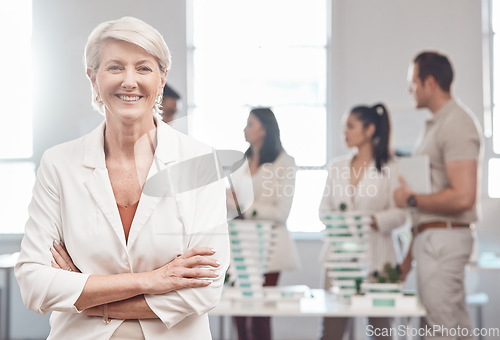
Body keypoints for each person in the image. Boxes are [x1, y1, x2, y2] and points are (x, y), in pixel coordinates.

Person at [14, 17, 229, 340]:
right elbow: (34, 285)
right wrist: (154, 280)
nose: (129, 81)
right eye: (115, 67)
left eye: (143, 68)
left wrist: (87, 296)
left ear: (161, 78)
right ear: (93, 77)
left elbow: (204, 291)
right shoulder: (59, 164)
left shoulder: (200, 162)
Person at [394, 51, 482, 339]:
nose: (410, 89)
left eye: (413, 82)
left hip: (444, 241)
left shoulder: (456, 123)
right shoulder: (435, 124)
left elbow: (463, 197)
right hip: (431, 240)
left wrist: (410, 199)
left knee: (440, 330)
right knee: (451, 327)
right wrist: (408, 259)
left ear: (429, 82)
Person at [319, 103, 407, 340]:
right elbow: (324, 211)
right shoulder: (336, 167)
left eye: (350, 126)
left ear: (369, 130)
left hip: (378, 257)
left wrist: (371, 221)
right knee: (332, 330)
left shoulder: (391, 167)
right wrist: (343, 223)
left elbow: (400, 213)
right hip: (339, 259)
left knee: (381, 330)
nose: (344, 133)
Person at [233, 107, 299, 340]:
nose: (245, 128)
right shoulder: (242, 161)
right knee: (237, 311)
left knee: (261, 313)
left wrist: (243, 206)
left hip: (270, 248)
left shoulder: (285, 162)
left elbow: (281, 212)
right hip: (242, 246)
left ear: (264, 129)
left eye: (250, 124)